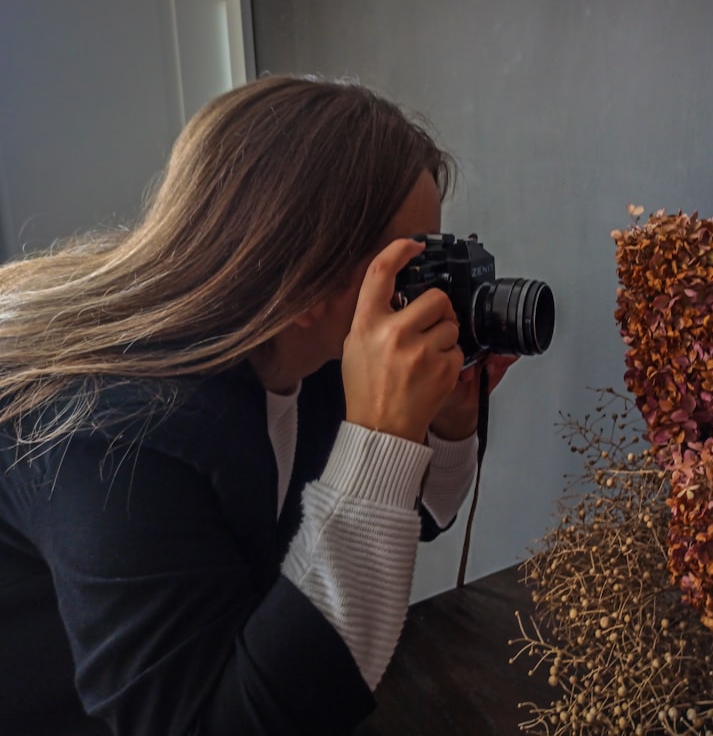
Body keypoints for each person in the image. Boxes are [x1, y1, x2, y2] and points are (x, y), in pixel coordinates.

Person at [0, 74, 515, 735]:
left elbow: (394, 522)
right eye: (408, 268)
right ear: (302, 279)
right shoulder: (116, 438)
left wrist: (444, 424)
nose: (429, 295)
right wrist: (382, 437)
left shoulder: (308, 353)